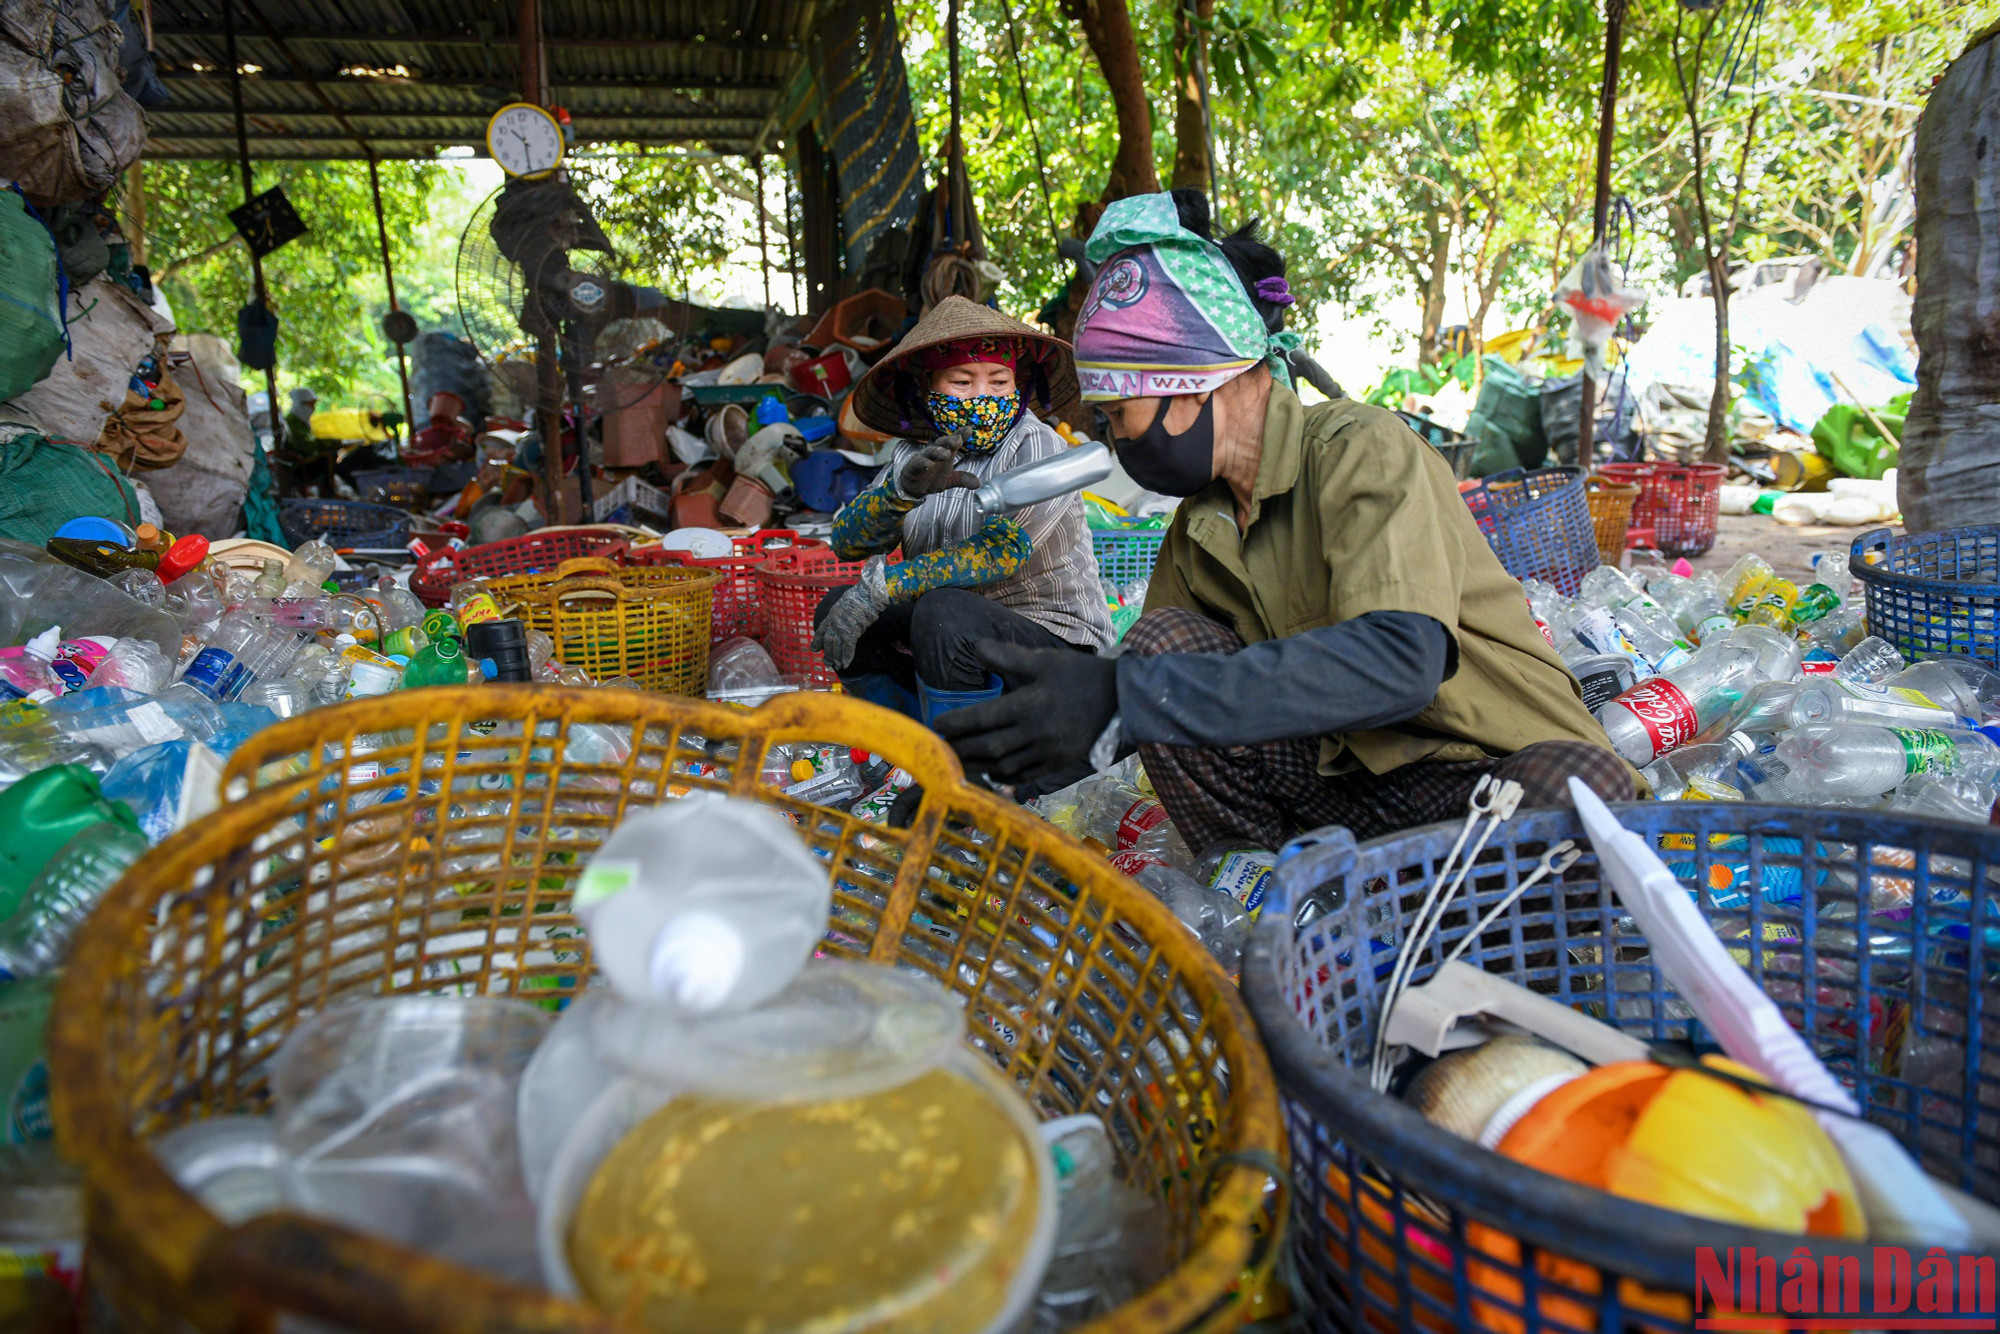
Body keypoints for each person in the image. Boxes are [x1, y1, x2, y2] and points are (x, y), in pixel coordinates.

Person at [937, 191, 1634, 850]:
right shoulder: (1202, 525)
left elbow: (1402, 661)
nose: (1118, 441)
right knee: (1164, 642)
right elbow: (1143, 691)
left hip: (1482, 780)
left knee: (1580, 795)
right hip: (1344, 788)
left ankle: (1408, 920)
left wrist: (1128, 696)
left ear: (1189, 386)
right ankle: (1270, 899)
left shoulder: (1362, 450)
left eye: (1120, 415)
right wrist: (982, 775)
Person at [810, 296, 1113, 720]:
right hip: (950, 644)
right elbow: (847, 543)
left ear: (1017, 383)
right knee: (839, 606)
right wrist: (900, 493)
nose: (982, 397)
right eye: (962, 382)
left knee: (942, 608)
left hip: (1053, 647)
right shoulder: (913, 453)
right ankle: (898, 746)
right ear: (928, 387)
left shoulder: (1037, 444)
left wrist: (882, 587)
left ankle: (964, 765)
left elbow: (1000, 552)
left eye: (998, 382)